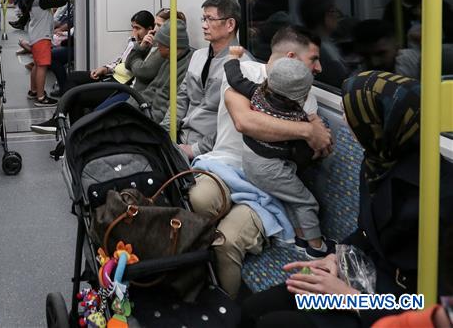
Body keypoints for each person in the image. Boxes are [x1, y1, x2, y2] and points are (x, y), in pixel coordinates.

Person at [241, 71, 453, 327]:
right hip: (360, 278)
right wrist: (337, 258)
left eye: (351, 114)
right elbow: (368, 233)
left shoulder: (440, 197)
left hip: (392, 309)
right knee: (256, 308)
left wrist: (349, 298)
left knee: (276, 324)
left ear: (378, 123)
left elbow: (438, 312)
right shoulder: (377, 162)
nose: (345, 120)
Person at [188, 25, 333, 298]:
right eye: (313, 59)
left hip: (268, 186)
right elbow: (246, 121)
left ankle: (225, 308)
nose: (319, 68)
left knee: (226, 242)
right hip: (226, 166)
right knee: (199, 200)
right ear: (291, 57)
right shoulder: (247, 74)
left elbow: (318, 141)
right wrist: (306, 130)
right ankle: (188, 280)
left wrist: (315, 133)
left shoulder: (304, 92)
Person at [224, 48, 333, 258]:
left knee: (292, 198)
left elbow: (234, 77)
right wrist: (318, 138)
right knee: (306, 201)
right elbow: (303, 156)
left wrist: (234, 57)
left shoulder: (255, 92)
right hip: (271, 169)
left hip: (249, 160)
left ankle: (301, 238)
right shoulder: (297, 118)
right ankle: (317, 248)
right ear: (302, 95)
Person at [30, 9, 155, 135]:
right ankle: (62, 124)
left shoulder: (147, 49)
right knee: (72, 77)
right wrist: (106, 68)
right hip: (112, 75)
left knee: (76, 97)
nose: (134, 32)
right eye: (133, 28)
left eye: (138, 28)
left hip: (121, 85)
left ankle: (72, 133)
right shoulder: (133, 43)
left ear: (149, 29)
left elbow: (134, 67)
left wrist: (140, 47)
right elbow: (121, 60)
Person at [162, 0, 249, 159]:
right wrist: (165, 134)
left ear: (230, 24)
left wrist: (194, 150)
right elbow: (181, 99)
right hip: (180, 138)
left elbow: (232, 125)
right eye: (203, 19)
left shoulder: (243, 66)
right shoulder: (198, 56)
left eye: (209, 19)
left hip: (210, 150)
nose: (203, 25)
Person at [23, 0, 73, 106]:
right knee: (42, 67)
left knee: (37, 65)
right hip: (42, 37)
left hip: (35, 36)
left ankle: (33, 91)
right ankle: (41, 97)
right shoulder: (41, 0)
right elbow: (61, 1)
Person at [297, 0, 348, 88]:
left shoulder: (322, 42)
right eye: (333, 11)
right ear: (322, 15)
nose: (338, 15)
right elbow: (339, 82)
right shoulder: (319, 51)